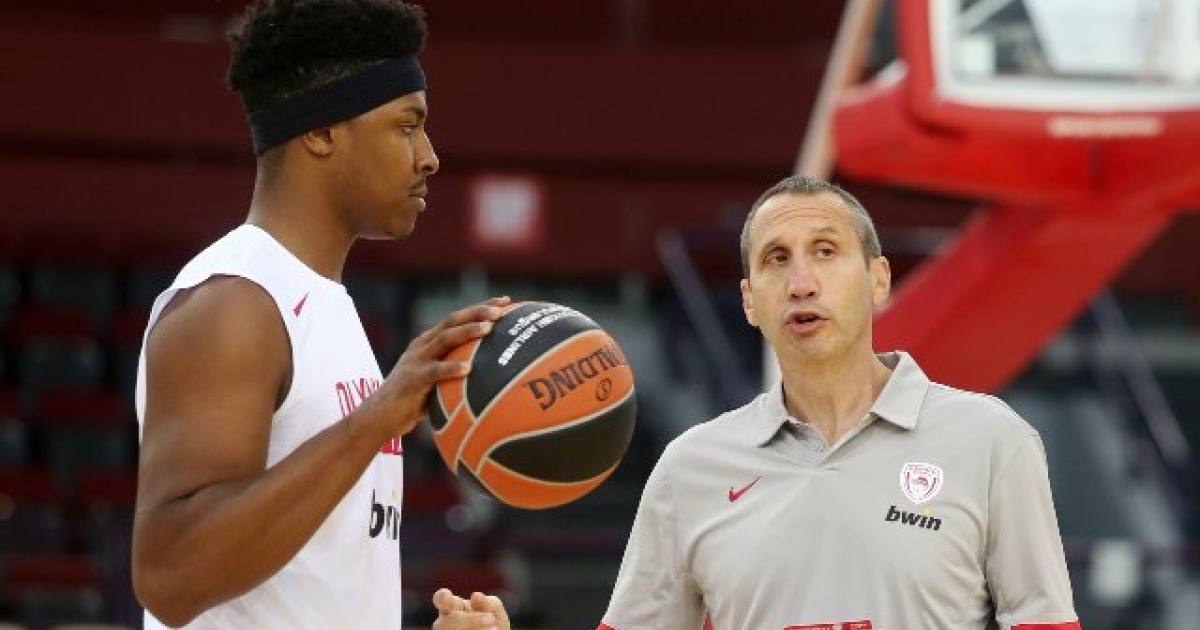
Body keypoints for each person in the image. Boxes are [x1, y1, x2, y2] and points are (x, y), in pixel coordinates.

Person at [131, 1, 508, 628]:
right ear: (321, 131)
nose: (429, 156)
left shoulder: (327, 304)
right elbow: (169, 578)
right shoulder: (234, 304)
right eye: (406, 126)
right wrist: (375, 420)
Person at [593, 175, 1082, 629]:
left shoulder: (992, 441)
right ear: (749, 301)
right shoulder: (689, 468)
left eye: (825, 251)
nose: (801, 283)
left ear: (878, 279)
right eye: (776, 259)